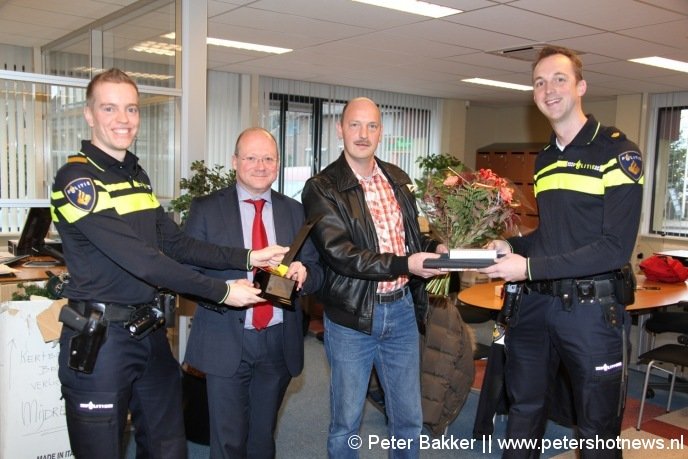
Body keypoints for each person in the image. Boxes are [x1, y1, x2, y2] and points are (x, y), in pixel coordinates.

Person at [50, 69, 287, 459]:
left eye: (131, 108)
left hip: (149, 334)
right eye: (109, 108)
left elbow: (176, 243)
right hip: (102, 339)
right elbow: (143, 261)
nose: (122, 119)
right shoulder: (77, 180)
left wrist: (248, 256)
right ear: (89, 114)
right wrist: (223, 291)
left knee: (168, 448)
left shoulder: (137, 178)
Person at [479, 45, 644, 458]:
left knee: (595, 429)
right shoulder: (546, 159)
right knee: (524, 410)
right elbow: (551, 235)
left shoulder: (616, 152)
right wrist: (511, 246)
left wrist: (528, 267)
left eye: (559, 79)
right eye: (539, 82)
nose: (548, 89)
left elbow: (613, 248)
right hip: (537, 308)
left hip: (591, 313)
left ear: (581, 86)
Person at [301, 97, 446, 458]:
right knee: (346, 422)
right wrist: (405, 264)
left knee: (408, 419)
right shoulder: (322, 187)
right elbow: (341, 254)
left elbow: (412, 238)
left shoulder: (398, 179)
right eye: (354, 125)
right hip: (353, 318)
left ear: (381, 131)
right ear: (340, 129)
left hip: (401, 312)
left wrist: (437, 246)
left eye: (371, 126)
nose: (363, 135)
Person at [182, 127, 323, 458]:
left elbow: (317, 271)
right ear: (234, 162)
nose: (260, 165)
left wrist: (306, 273)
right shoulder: (206, 209)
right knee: (228, 441)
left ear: (277, 164)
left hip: (278, 341)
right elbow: (187, 273)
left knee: (262, 439)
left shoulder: (294, 211)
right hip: (225, 339)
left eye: (268, 158)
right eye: (251, 158)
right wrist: (224, 291)